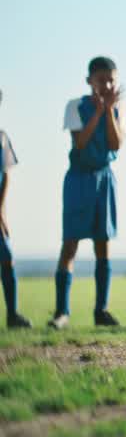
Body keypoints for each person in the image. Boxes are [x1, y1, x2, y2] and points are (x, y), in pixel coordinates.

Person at [51, 56, 126, 329]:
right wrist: (96, 112)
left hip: (104, 178)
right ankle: (62, 312)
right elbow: (80, 142)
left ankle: (101, 310)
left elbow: (116, 142)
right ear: (89, 81)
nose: (106, 85)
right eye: (101, 80)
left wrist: (109, 112)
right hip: (79, 179)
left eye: (111, 80)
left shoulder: (119, 109)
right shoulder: (75, 106)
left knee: (102, 244)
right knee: (70, 243)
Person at [0, 89, 31, 328]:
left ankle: (12, 314)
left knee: (7, 258)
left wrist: (1, 212)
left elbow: (6, 175)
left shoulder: (2, 137)